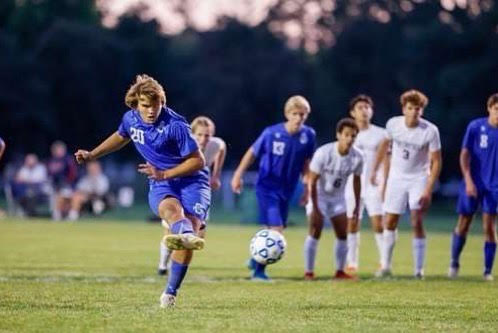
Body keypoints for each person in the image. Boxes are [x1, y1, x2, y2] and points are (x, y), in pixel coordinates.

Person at [74, 74, 209, 308]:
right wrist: (92, 154)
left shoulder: (176, 125)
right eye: (146, 105)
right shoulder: (130, 119)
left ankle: (170, 291)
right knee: (171, 211)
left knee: (189, 237)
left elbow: (198, 161)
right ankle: (184, 233)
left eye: (156, 105)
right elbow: (120, 137)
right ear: (136, 103)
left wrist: (164, 173)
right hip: (161, 182)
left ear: (162, 103)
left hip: (192, 182)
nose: (151, 111)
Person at [231, 95, 315, 281]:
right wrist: (238, 175)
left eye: (302, 114)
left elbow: (306, 164)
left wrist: (307, 189)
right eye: (295, 113)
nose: (299, 118)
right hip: (267, 187)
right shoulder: (271, 133)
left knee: (278, 227)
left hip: (288, 189)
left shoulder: (308, 136)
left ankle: (255, 260)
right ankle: (258, 273)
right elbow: (251, 154)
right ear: (287, 114)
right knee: (275, 230)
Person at [371, 89, 442, 279]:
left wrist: (428, 188)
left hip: (418, 178)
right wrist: (376, 172)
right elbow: (384, 148)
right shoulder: (393, 124)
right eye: (410, 108)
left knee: (416, 220)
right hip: (396, 178)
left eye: (417, 109)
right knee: (390, 221)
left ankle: (419, 270)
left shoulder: (430, 131)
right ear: (404, 109)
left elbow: (436, 161)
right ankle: (385, 265)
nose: (413, 112)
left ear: (422, 111)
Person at [158, 116, 226, 275]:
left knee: (197, 234)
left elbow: (222, 148)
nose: (203, 139)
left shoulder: (215, 144)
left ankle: (177, 266)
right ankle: (163, 265)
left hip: (198, 187)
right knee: (171, 231)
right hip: (178, 187)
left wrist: (216, 175)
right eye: (200, 135)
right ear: (192, 134)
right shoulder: (182, 146)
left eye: (207, 135)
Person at [304, 118, 363, 280]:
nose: (350, 139)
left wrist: (357, 207)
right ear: (338, 135)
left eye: (353, 136)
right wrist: (315, 207)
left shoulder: (358, 157)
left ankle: (339, 271)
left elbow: (357, 181)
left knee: (343, 234)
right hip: (319, 196)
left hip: (338, 198)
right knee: (315, 230)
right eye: (346, 135)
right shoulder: (324, 153)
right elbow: (312, 181)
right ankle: (309, 272)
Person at [449, 93, 498, 281]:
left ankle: (487, 271)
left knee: (490, 227)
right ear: (489, 108)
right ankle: (454, 261)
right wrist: (468, 180)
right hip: (473, 183)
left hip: (494, 187)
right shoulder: (476, 127)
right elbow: (464, 155)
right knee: (464, 224)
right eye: (496, 109)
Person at [344, 95, 389, 273]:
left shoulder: (381, 134)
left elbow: (387, 159)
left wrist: (384, 181)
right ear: (352, 113)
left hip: (373, 185)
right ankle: (352, 262)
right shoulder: (348, 133)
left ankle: (384, 261)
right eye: (360, 107)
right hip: (351, 184)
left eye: (367, 107)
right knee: (352, 222)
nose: (364, 111)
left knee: (378, 222)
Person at [47, 141, 78, 220]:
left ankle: (70, 216)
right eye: (56, 150)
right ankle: (56, 215)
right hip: (53, 186)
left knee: (64, 195)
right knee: (53, 194)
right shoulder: (51, 160)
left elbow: (73, 175)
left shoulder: (68, 160)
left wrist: (66, 183)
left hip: (66, 186)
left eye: (60, 149)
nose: (58, 151)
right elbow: (49, 175)